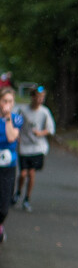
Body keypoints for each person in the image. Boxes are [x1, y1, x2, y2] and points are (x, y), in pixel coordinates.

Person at [15, 85, 55, 211]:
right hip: (24, 146)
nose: (40, 100)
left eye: (42, 97)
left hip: (38, 147)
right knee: (22, 173)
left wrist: (40, 133)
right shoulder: (22, 110)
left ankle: (27, 198)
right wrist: (17, 135)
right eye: (38, 97)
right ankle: (18, 192)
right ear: (32, 97)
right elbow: (15, 124)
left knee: (31, 173)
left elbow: (50, 129)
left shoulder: (44, 112)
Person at [0, 87, 24, 243]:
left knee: (4, 204)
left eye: (10, 101)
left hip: (8, 165)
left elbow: (11, 137)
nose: (7, 104)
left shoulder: (16, 119)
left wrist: (7, 117)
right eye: (4, 101)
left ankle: (0, 223)